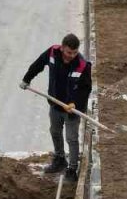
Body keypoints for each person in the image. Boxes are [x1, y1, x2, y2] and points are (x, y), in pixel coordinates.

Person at [20, 33, 92, 180]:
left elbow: (86, 89)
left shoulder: (82, 65)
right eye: (69, 52)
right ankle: (59, 159)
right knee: (55, 131)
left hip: (72, 109)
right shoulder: (52, 52)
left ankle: (72, 169)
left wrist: (75, 104)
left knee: (71, 138)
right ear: (62, 48)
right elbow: (38, 64)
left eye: (75, 52)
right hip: (55, 104)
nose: (72, 55)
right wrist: (26, 79)